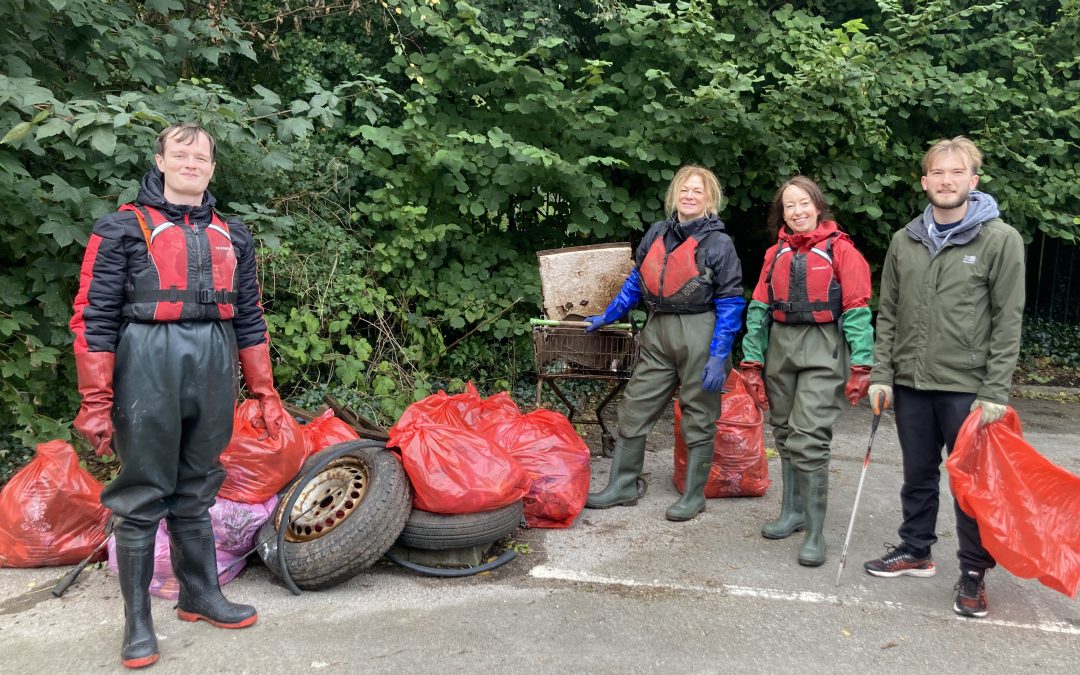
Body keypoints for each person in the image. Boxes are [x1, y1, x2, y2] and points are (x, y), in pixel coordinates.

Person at [70, 123, 287, 668]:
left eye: (202, 156)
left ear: (212, 169)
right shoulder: (120, 229)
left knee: (198, 483)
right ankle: (137, 622)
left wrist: (263, 389)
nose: (192, 162)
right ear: (161, 161)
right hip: (146, 358)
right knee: (143, 492)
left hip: (213, 357)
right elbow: (93, 316)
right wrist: (95, 401)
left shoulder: (234, 235)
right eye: (180, 153)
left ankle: (200, 594)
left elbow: (251, 316)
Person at [862, 136, 1025, 619]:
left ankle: (974, 571)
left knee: (970, 485)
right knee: (917, 475)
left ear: (973, 181)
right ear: (924, 180)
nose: (947, 180)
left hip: (968, 389)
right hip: (910, 383)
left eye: (957, 172)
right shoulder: (904, 239)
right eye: (938, 172)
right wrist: (881, 374)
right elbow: (887, 312)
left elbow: (1008, 318)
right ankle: (916, 550)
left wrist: (995, 390)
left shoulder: (999, 240)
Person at [582, 165, 745, 522]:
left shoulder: (719, 243)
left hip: (700, 330)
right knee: (635, 405)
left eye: (698, 192)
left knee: (698, 415)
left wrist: (719, 354)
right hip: (658, 329)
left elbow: (731, 301)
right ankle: (622, 485)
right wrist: (609, 314)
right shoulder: (657, 232)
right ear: (675, 194)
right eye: (684, 190)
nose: (690, 196)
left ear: (710, 199)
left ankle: (693, 495)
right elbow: (637, 280)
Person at [739, 176, 874, 567]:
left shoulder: (842, 251)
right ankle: (792, 512)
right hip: (781, 346)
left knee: (809, 436)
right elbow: (760, 308)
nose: (797, 212)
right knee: (783, 432)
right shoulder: (775, 254)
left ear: (818, 205)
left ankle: (815, 531)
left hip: (823, 347)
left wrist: (862, 364)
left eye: (804, 204)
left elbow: (857, 309)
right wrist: (752, 359)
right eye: (789, 207)